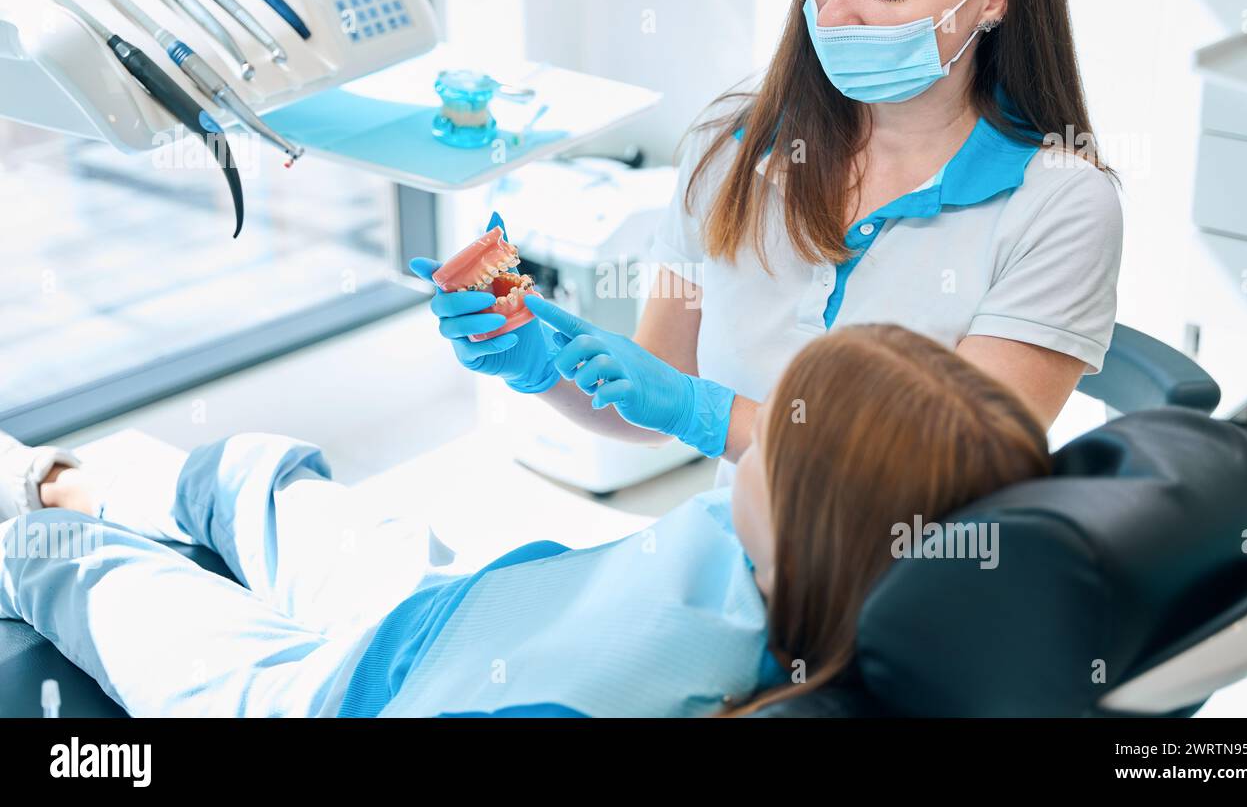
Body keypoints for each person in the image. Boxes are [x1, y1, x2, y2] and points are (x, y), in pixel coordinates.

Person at [414, 0, 1121, 493]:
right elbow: (656, 400)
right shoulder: (734, 147)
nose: (835, 12)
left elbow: (944, 471)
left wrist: (705, 414)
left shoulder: (1059, 206)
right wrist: (541, 368)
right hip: (733, 567)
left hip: (909, 605)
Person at [0, 324, 1048, 717]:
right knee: (248, 472)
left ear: (817, 521)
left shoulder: (706, 672)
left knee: (71, 568)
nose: (753, 426)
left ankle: (41, 510)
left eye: (780, 429)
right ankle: (66, 483)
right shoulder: (769, 551)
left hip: (335, 698)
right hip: (443, 611)